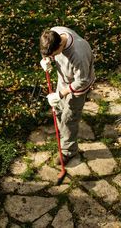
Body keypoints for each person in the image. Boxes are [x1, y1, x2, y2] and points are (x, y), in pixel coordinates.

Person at [39, 26, 95, 165]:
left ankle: (68, 151)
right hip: (63, 80)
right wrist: (46, 60)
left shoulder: (78, 55)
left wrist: (60, 94)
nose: (52, 57)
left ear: (60, 45)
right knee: (57, 109)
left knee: (69, 118)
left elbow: (82, 81)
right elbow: (46, 52)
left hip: (77, 88)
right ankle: (63, 133)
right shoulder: (54, 33)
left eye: (53, 54)